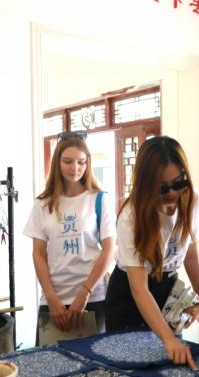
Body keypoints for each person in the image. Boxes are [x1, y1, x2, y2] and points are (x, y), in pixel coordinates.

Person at [104, 136, 199, 368]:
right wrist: (168, 339)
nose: (171, 193)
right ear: (146, 184)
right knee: (131, 370)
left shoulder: (191, 199)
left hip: (167, 288)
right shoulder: (131, 216)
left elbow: (191, 252)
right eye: (162, 187)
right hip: (129, 296)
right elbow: (139, 289)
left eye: (178, 183)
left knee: (170, 364)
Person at [23, 132, 116, 339]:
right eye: (68, 162)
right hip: (53, 298)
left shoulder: (99, 199)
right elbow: (38, 254)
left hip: (92, 297)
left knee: (92, 358)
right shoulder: (43, 203)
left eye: (81, 162)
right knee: (50, 357)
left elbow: (109, 250)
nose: (75, 168)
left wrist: (84, 293)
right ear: (57, 162)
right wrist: (51, 297)